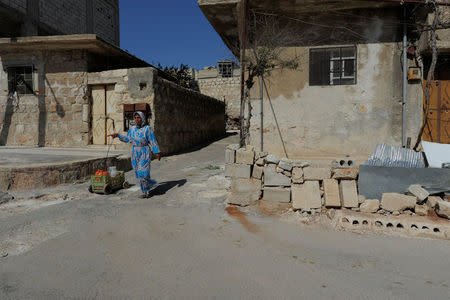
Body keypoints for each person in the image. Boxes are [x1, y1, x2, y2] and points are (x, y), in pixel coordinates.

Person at [108, 111, 161, 198]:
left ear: (142, 118)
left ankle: (151, 184)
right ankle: (146, 192)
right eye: (135, 118)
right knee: (137, 172)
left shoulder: (147, 129)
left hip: (144, 151)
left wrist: (157, 152)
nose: (136, 119)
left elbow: (153, 141)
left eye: (138, 117)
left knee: (143, 173)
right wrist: (118, 135)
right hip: (135, 152)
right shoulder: (132, 129)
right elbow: (127, 139)